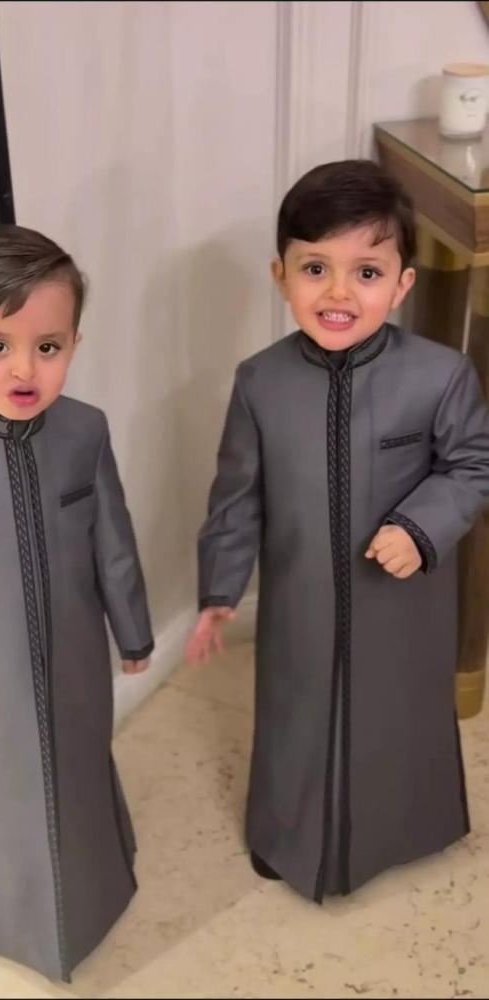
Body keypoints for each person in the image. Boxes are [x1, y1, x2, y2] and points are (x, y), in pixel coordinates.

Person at [186, 159, 489, 902]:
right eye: (315, 268)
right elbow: (235, 499)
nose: (338, 293)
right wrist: (219, 591)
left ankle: (410, 829)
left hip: (402, 604)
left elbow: (473, 465)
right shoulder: (260, 382)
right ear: (281, 276)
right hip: (301, 603)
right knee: (296, 718)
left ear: (402, 284)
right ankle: (286, 836)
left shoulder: (440, 376)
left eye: (366, 272)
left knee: (398, 719)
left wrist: (419, 527)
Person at [0, 225, 153, 981]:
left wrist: (133, 633)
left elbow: (114, 542)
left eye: (47, 346)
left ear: (74, 343)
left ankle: (94, 889)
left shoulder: (83, 432)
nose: (24, 368)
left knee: (77, 769)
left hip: (74, 661)